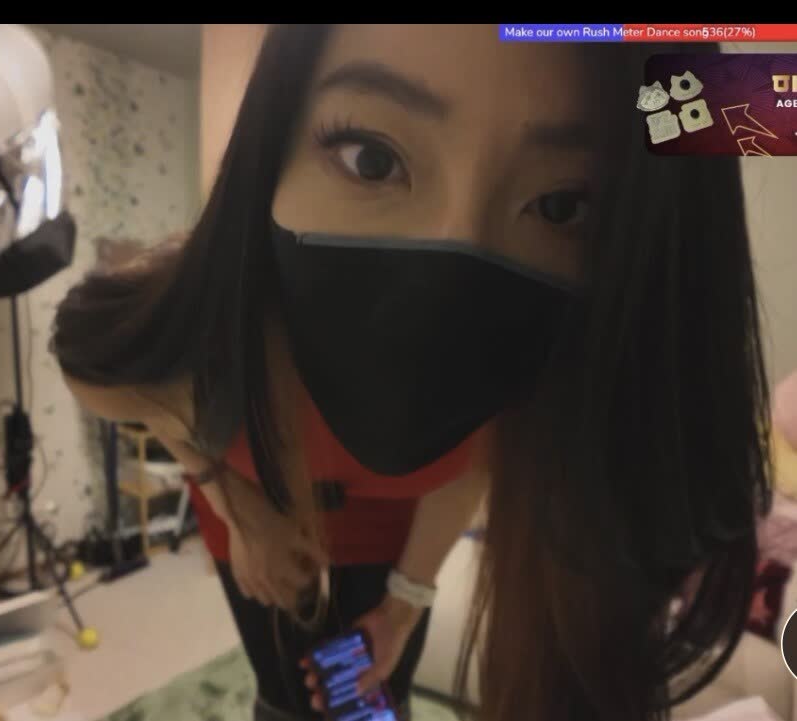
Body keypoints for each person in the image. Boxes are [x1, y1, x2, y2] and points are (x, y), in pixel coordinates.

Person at [49, 25, 770, 721]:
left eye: (562, 206)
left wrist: (404, 603)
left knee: (369, 694)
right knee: (288, 697)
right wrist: (238, 510)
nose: (438, 303)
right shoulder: (209, 324)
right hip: (259, 515)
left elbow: (469, 467)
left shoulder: (554, 353)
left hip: (395, 536)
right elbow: (95, 370)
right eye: (370, 158)